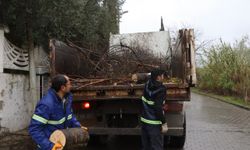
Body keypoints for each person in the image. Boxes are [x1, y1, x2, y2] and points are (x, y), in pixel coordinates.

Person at [29, 74, 87, 150]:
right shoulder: (46, 104)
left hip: (60, 143)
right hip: (49, 146)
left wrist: (78, 126)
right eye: (69, 84)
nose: (71, 86)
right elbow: (34, 129)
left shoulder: (66, 99)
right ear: (62, 88)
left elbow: (69, 116)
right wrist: (50, 146)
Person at [141, 68, 167, 150]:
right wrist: (164, 123)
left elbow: (149, 76)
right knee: (157, 147)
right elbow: (157, 108)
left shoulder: (147, 84)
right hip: (154, 124)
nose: (163, 77)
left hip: (144, 121)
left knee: (146, 146)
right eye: (162, 75)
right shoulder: (161, 89)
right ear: (158, 77)